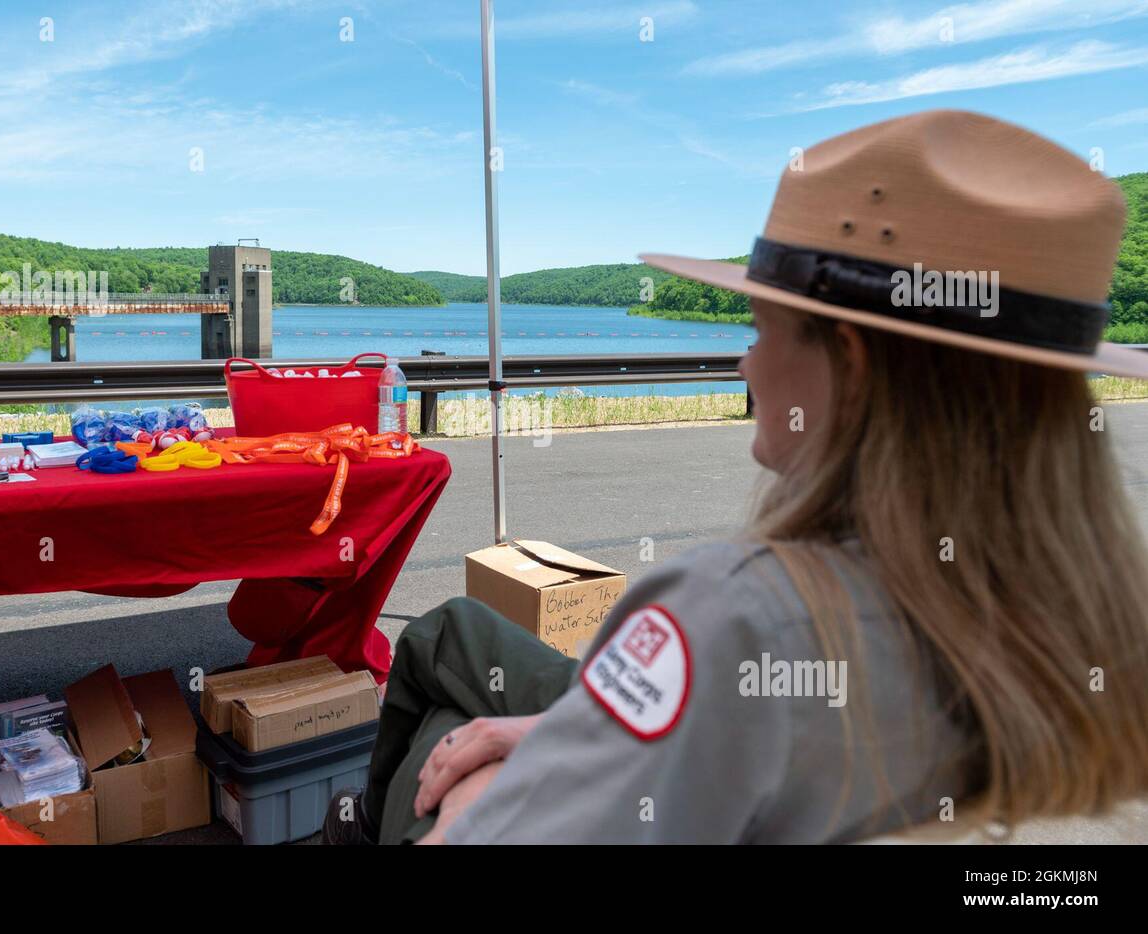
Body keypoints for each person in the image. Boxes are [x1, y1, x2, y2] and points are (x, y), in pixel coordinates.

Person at [323, 109, 1148, 845]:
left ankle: (358, 825)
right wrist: (564, 735)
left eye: (761, 327)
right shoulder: (1074, 617)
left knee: (440, 705)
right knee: (458, 635)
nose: (747, 359)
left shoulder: (737, 615)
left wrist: (493, 803)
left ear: (851, 368)